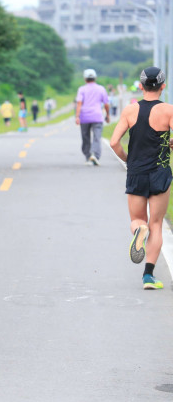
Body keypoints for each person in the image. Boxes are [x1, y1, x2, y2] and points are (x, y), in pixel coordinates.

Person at [110, 67, 173, 290]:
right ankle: (148, 276)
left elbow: (114, 143)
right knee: (156, 224)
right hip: (160, 173)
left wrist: (128, 160)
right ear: (163, 86)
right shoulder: (169, 110)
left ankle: (139, 230)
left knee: (138, 220)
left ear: (141, 85)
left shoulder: (130, 110)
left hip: (136, 172)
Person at [76, 69, 110, 166]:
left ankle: (88, 156)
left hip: (84, 117)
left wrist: (77, 116)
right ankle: (95, 155)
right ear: (95, 78)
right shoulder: (101, 89)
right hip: (97, 116)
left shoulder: (82, 89)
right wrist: (107, 115)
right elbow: (106, 104)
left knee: (85, 137)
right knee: (97, 137)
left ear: (85, 79)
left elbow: (79, 103)